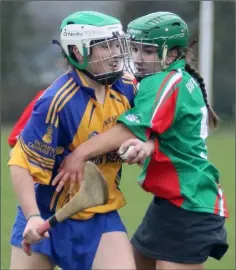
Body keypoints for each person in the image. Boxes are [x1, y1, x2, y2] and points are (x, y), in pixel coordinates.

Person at [52, 11, 229, 270]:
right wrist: (147, 145)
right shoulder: (172, 78)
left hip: (190, 205)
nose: (137, 58)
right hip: (170, 205)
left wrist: (79, 154)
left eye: (147, 52)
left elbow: (128, 129)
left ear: (171, 54)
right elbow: (169, 134)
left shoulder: (166, 81)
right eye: (134, 49)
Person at [8, 11, 138, 270]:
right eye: (105, 47)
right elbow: (19, 163)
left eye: (116, 45)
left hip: (100, 216)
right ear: (79, 53)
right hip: (46, 214)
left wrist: (83, 154)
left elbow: (136, 127)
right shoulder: (57, 101)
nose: (115, 54)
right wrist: (32, 216)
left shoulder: (128, 88)